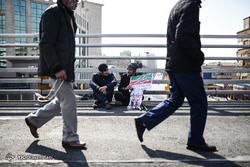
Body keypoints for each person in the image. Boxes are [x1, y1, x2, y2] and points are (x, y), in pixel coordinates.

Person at [134, 0, 217, 151]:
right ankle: (196, 140)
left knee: (175, 99)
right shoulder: (191, 5)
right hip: (186, 65)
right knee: (199, 102)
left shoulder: (178, 5)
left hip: (173, 63)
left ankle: (144, 120)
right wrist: (199, 56)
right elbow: (183, 36)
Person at [25, 0, 86, 149]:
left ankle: (34, 120)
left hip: (63, 67)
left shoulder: (67, 15)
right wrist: (57, 67)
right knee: (69, 99)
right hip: (56, 67)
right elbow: (46, 43)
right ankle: (69, 137)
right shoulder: (53, 13)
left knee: (63, 100)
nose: (78, 0)